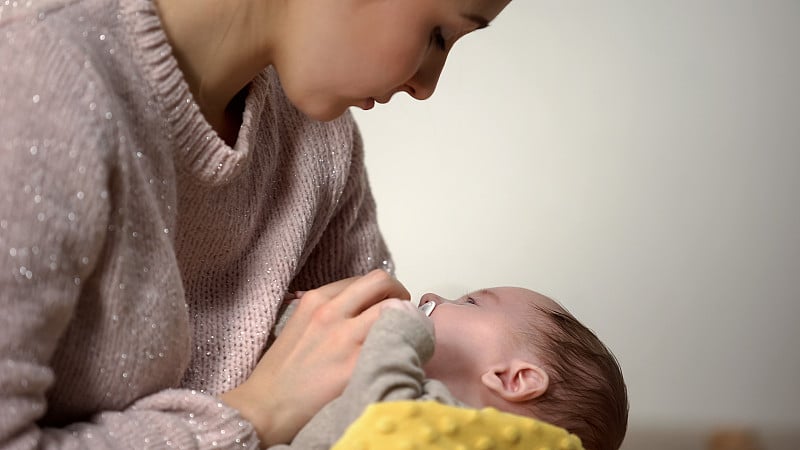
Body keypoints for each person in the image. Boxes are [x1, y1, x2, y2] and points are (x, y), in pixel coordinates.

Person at [0, 0, 511, 447]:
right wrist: (258, 412)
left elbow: (371, 409)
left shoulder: (321, 144)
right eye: (439, 34)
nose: (426, 87)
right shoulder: (34, 83)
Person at [269, 287, 629, 450]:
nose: (429, 297)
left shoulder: (411, 414)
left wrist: (396, 327)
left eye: (470, 302)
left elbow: (376, 418)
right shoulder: (405, 395)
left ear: (513, 379)